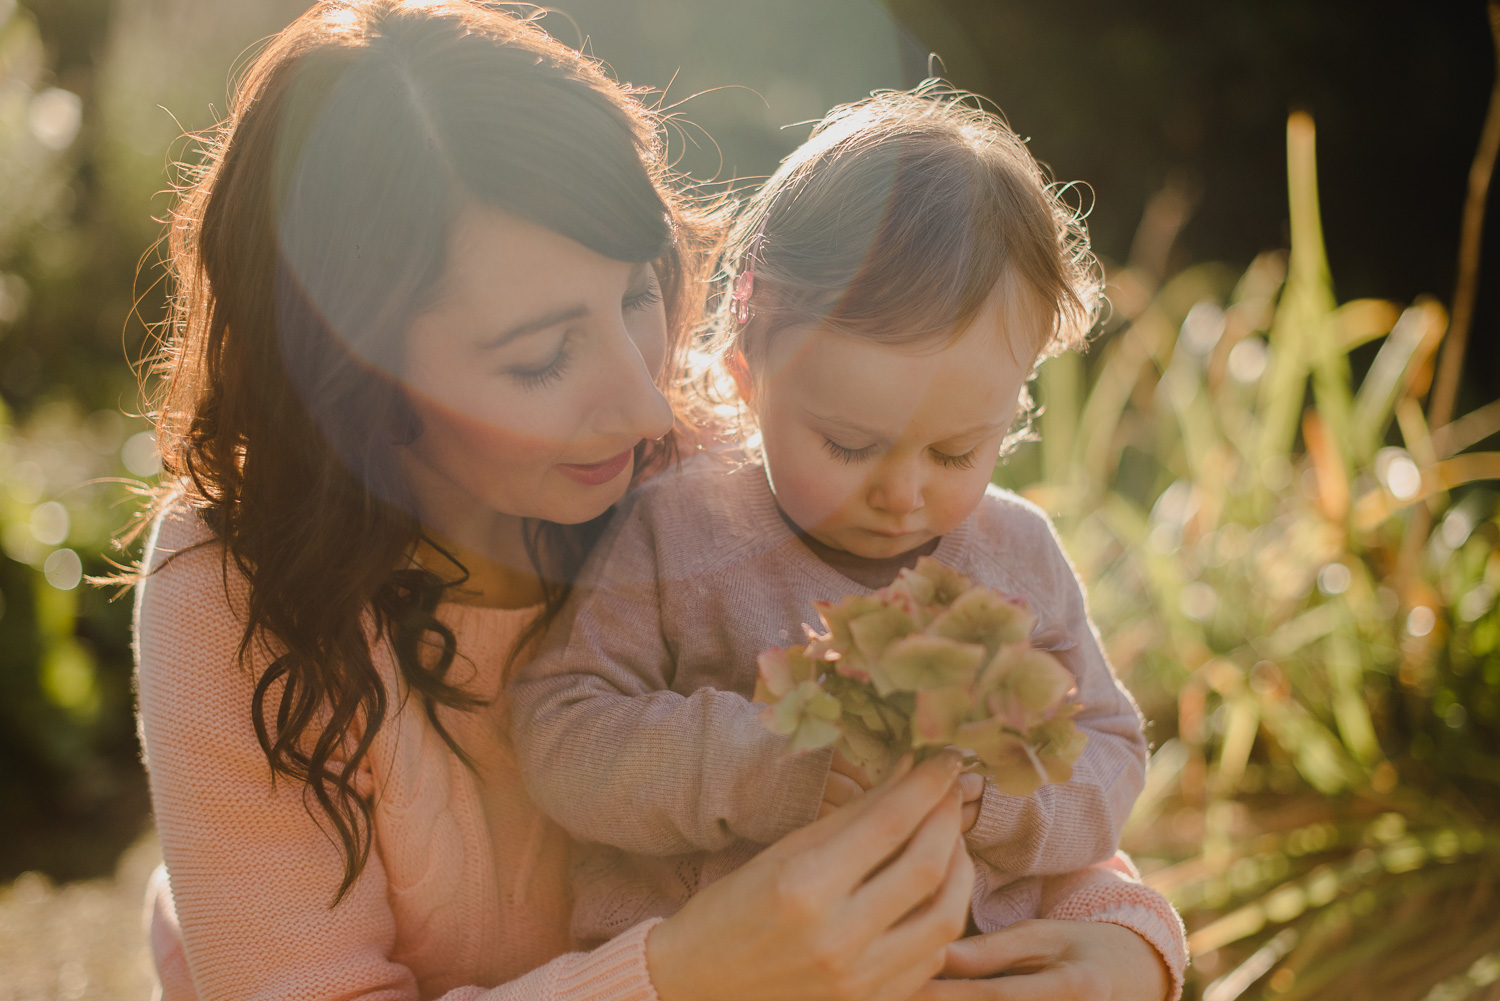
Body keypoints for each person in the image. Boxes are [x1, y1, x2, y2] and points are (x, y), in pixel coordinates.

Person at [131, 2, 1177, 999]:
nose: (648, 404)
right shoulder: (234, 589)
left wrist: (1130, 941)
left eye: (638, 293)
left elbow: (994, 778)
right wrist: (683, 971)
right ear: (348, 373)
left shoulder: (732, 473)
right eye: (542, 358)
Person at [508, 87, 1186, 996]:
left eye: (957, 449)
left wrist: (1001, 796)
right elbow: (561, 732)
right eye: (850, 444)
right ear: (745, 372)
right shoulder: (675, 533)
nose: (904, 494)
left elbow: (1110, 746)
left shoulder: (1016, 554)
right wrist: (770, 761)